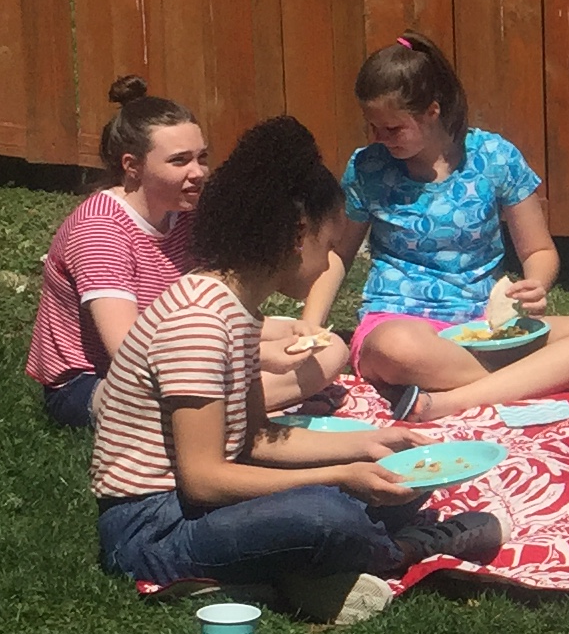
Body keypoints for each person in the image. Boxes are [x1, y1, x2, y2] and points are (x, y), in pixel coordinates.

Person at [90, 116, 500, 621]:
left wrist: (370, 445)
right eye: (328, 248)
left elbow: (255, 439)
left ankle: (289, 575)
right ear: (298, 236)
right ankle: (401, 549)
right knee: (325, 514)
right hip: (153, 528)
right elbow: (202, 479)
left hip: (196, 508)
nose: (328, 265)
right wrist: (342, 477)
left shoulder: (236, 308)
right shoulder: (199, 322)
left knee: (388, 483)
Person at [301, 34, 569, 417]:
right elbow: (339, 255)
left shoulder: (494, 157)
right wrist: (310, 325)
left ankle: (449, 400)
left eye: (393, 129)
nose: (379, 139)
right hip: (401, 321)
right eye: (372, 127)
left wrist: (535, 283)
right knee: (396, 348)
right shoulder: (368, 167)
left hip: (484, 327)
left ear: (432, 112)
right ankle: (526, 378)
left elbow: (538, 250)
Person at [28, 75, 349, 427]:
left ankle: (221, 409)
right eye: (179, 161)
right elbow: (127, 351)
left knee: (327, 348)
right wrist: (255, 354)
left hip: (180, 348)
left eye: (202, 157)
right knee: (224, 373)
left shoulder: (185, 213)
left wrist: (284, 332)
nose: (198, 172)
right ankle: (222, 415)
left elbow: (215, 310)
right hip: (96, 382)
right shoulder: (100, 230)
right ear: (132, 166)